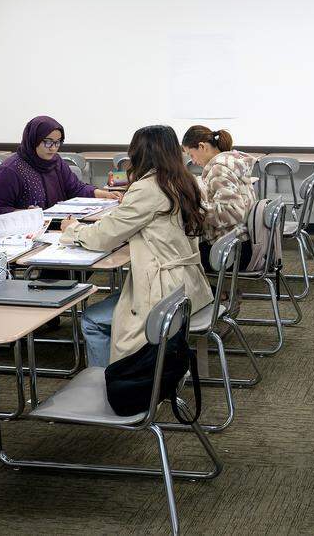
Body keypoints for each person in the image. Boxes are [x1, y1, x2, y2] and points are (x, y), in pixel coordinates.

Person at [61, 126, 213, 368]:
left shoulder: (149, 187)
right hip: (188, 285)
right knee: (116, 303)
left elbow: (104, 236)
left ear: (140, 154)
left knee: (92, 319)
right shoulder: (184, 180)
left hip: (163, 293)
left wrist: (72, 229)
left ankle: (112, 381)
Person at [0, 115, 119, 213]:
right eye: (48, 142)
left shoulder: (56, 162)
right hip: (24, 234)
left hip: (56, 227)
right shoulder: (10, 170)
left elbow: (76, 188)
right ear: (33, 140)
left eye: (57, 142)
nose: (53, 148)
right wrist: (25, 214)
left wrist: (105, 194)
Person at [181, 125, 255, 272]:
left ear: (202, 146)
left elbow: (233, 212)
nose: (193, 161)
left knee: (182, 258)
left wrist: (196, 207)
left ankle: (212, 294)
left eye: (191, 154)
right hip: (242, 243)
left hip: (232, 252)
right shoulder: (231, 163)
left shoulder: (219, 169)